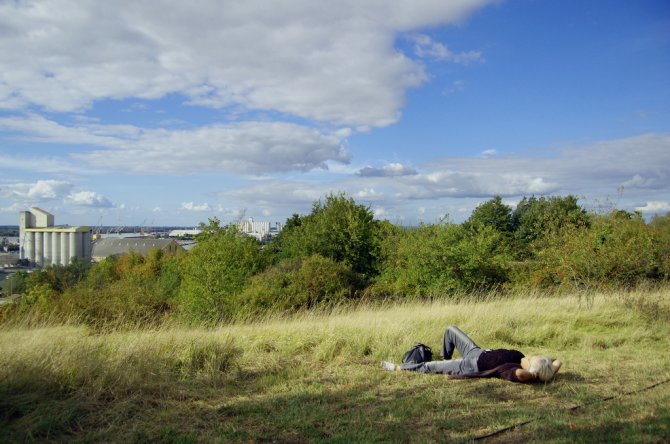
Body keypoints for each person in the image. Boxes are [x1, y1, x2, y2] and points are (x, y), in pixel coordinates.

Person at [381, 325, 561, 383]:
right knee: (450, 330)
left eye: (534, 358)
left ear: (533, 366)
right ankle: (447, 358)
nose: (532, 355)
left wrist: (533, 374)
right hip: (477, 351)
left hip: (470, 365)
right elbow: (557, 362)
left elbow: (522, 375)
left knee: (430, 367)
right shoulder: (521, 357)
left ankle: (400, 368)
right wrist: (548, 368)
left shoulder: (513, 369)